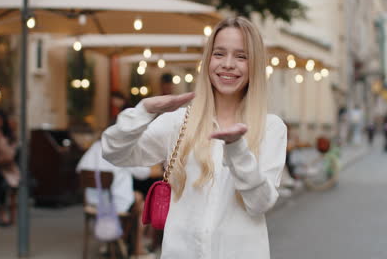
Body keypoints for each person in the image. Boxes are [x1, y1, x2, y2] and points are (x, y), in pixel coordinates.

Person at [102, 17, 287, 259]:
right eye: (219, 54)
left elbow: (260, 203)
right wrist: (143, 111)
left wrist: (237, 149)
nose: (228, 64)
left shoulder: (271, 128)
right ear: (208, 59)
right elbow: (114, 152)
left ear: (255, 65)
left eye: (241, 57)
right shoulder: (179, 122)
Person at [76, 140, 153, 257]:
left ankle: (116, 242)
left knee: (135, 198)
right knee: (140, 204)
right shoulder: (123, 148)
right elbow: (143, 173)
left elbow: (79, 169)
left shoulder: (96, 146)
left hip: (93, 203)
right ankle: (136, 249)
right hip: (116, 204)